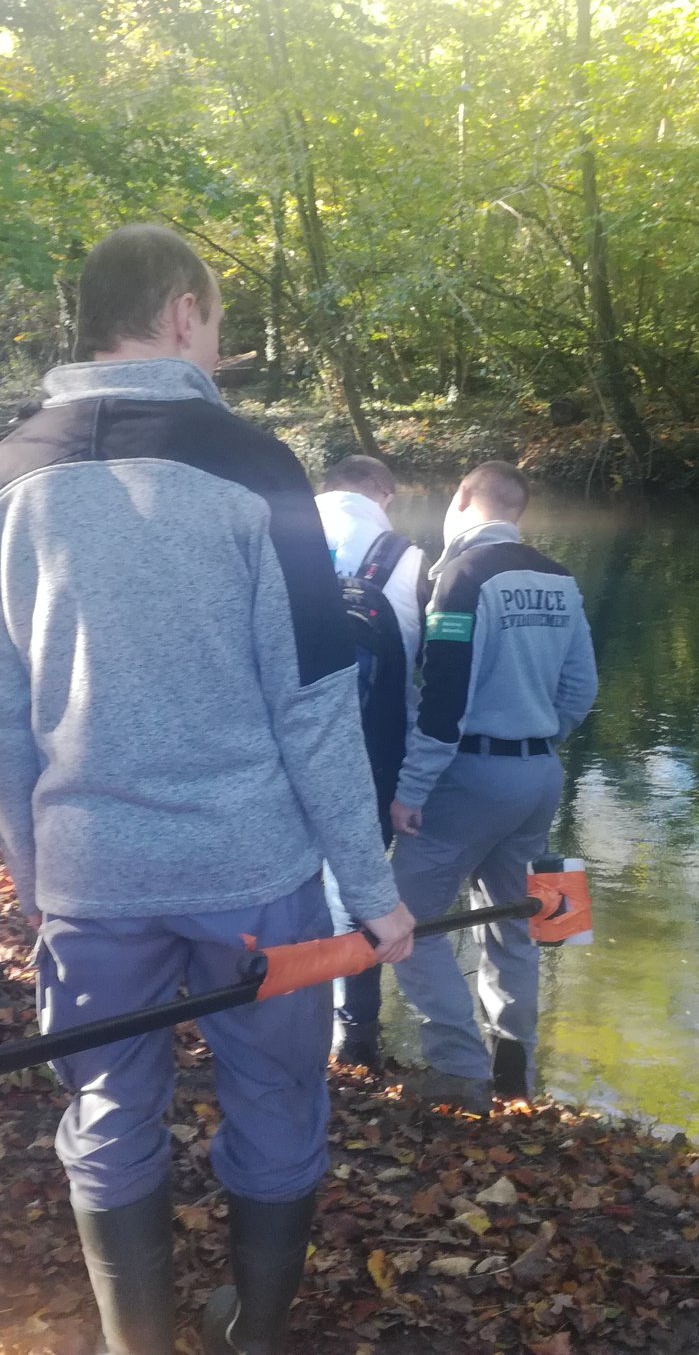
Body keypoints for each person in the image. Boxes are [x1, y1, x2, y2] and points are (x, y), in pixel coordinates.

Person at [0, 223, 416, 1355]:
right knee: (274, 1100)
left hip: (90, 877)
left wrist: (33, 868)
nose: (216, 342)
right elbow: (313, 703)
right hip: (250, 878)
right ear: (177, 315)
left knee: (107, 1108)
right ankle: (254, 1336)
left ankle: (136, 1341)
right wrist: (371, 890)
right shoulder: (257, 467)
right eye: (213, 319)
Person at [387, 461, 597, 1113]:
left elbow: (443, 699)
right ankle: (515, 1073)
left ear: (461, 499)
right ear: (520, 510)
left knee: (404, 923)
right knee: (514, 926)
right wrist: (535, 742)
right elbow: (580, 690)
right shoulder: (560, 578)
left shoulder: (461, 578)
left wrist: (412, 789)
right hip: (538, 776)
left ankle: (459, 1069)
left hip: (470, 775)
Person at [314, 454, 426, 1069]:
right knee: (358, 884)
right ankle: (356, 1033)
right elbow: (410, 673)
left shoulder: (277, 529)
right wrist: (409, 779)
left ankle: (273, 1006)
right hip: (369, 748)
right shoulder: (405, 556)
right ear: (383, 493)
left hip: (278, 746)